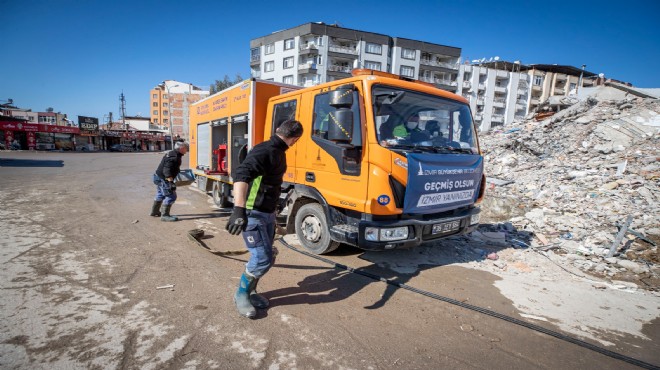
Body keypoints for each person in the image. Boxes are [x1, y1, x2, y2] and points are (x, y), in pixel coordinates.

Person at [225, 119, 304, 319]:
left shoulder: (278, 151)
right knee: (262, 258)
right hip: (253, 214)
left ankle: (251, 292)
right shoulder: (265, 150)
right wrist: (238, 210)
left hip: (267, 214)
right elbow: (241, 175)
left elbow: (268, 182)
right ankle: (241, 295)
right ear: (295, 139)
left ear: (278, 130)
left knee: (268, 255)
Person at [150, 141, 189, 221]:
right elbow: (167, 170)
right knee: (171, 196)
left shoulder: (172, 153)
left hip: (158, 177)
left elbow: (170, 167)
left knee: (160, 194)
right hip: (164, 179)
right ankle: (165, 215)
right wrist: (171, 183)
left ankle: (155, 211)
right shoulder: (174, 157)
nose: (187, 150)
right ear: (181, 148)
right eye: (186, 148)